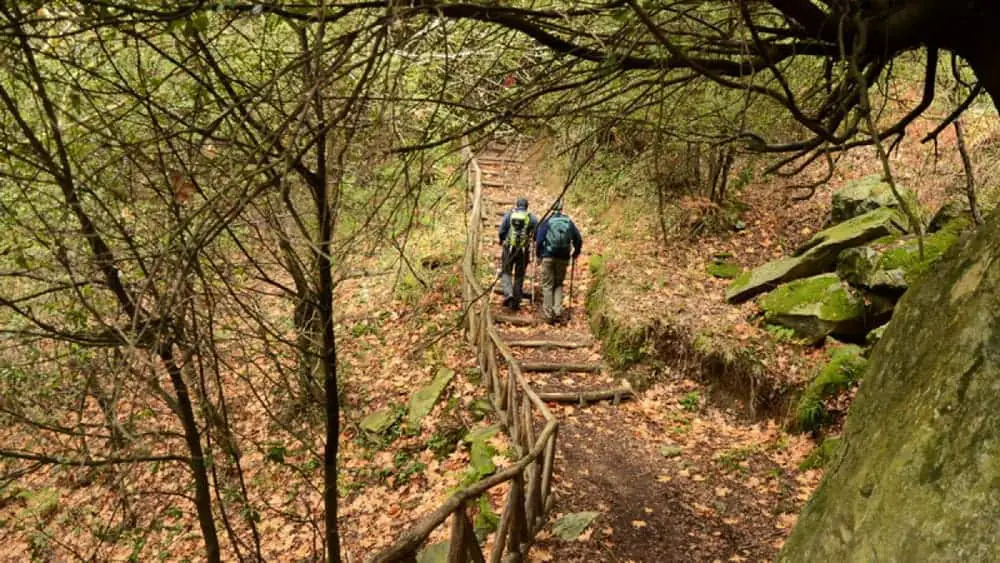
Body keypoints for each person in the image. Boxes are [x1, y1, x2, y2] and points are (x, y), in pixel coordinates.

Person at [535, 200, 582, 324]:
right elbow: (578, 239)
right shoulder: (568, 222)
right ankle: (557, 311)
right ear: (562, 208)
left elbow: (539, 240)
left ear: (551, 208)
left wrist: (539, 255)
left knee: (547, 285)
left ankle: (548, 314)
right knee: (558, 284)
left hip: (548, 257)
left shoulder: (547, 222)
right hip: (563, 258)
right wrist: (575, 252)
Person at [498, 197, 538, 310]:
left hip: (509, 248)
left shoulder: (509, 214)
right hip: (523, 250)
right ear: (527, 207)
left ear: (516, 205)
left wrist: (502, 240)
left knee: (506, 271)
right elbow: (536, 234)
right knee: (519, 275)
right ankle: (515, 302)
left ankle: (508, 293)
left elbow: (501, 231)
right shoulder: (531, 218)